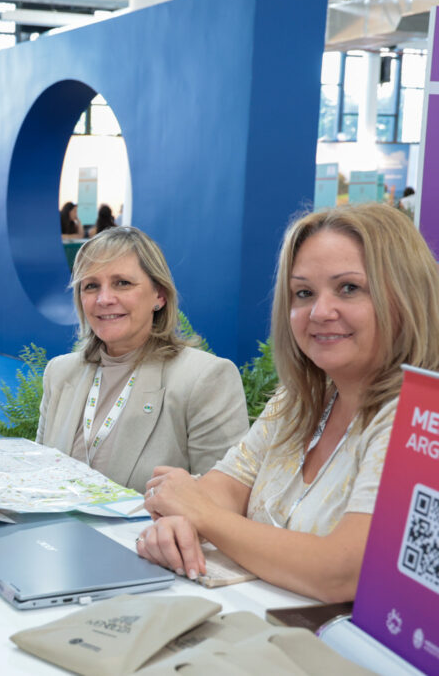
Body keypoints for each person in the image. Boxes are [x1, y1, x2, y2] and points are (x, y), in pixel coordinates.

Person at [136, 204, 439, 602]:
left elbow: (340, 573)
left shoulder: (420, 418)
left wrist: (199, 515)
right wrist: (178, 521)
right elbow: (226, 487)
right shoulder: (300, 400)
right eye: (303, 293)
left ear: (406, 295)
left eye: (349, 288)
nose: (320, 311)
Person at [36, 226, 249, 492]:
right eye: (91, 286)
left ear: (159, 295)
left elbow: (223, 501)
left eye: (122, 283)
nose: (104, 299)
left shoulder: (205, 379)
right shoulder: (59, 373)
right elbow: (40, 477)